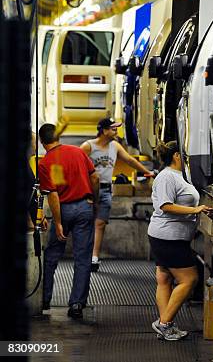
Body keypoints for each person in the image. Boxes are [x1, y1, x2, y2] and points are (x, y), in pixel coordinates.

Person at [148, 141, 210, 341]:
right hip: (168, 236)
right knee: (189, 279)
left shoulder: (178, 176)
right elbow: (166, 205)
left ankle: (166, 324)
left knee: (164, 278)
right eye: (185, 155)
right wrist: (195, 209)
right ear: (176, 156)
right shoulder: (167, 176)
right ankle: (164, 323)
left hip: (170, 236)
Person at [38, 123, 99, 319]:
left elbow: (53, 195)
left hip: (62, 209)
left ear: (41, 141)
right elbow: (95, 177)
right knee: (82, 258)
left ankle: (44, 300)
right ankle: (76, 305)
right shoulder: (78, 152)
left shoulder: (45, 163)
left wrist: (57, 222)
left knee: (51, 256)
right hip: (84, 208)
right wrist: (93, 200)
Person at [81, 118, 154, 272]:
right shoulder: (88, 146)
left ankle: (94, 258)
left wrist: (147, 172)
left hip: (106, 190)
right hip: (88, 190)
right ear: (104, 130)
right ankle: (84, 256)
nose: (116, 131)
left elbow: (129, 160)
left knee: (100, 224)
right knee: (86, 223)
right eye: (113, 129)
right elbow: (76, 165)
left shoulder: (114, 146)